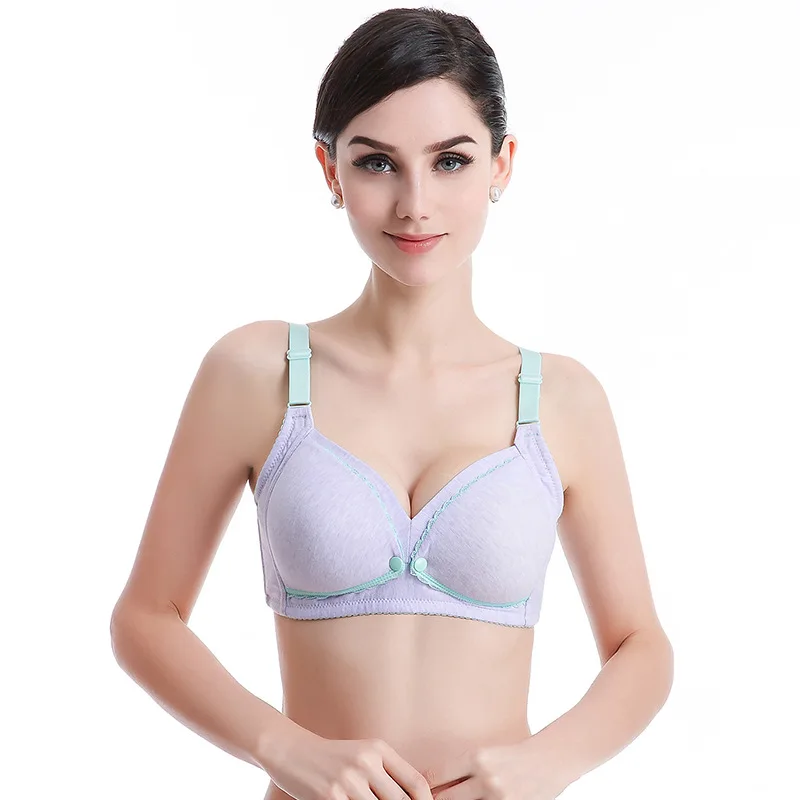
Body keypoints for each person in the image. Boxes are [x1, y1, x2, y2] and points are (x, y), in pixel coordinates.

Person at [110, 7, 674, 800]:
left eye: (451, 162)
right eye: (377, 163)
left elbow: (640, 645)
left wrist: (550, 760)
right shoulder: (256, 374)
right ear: (330, 170)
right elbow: (145, 617)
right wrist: (284, 748)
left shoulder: (562, 400)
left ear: (502, 164)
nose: (415, 203)